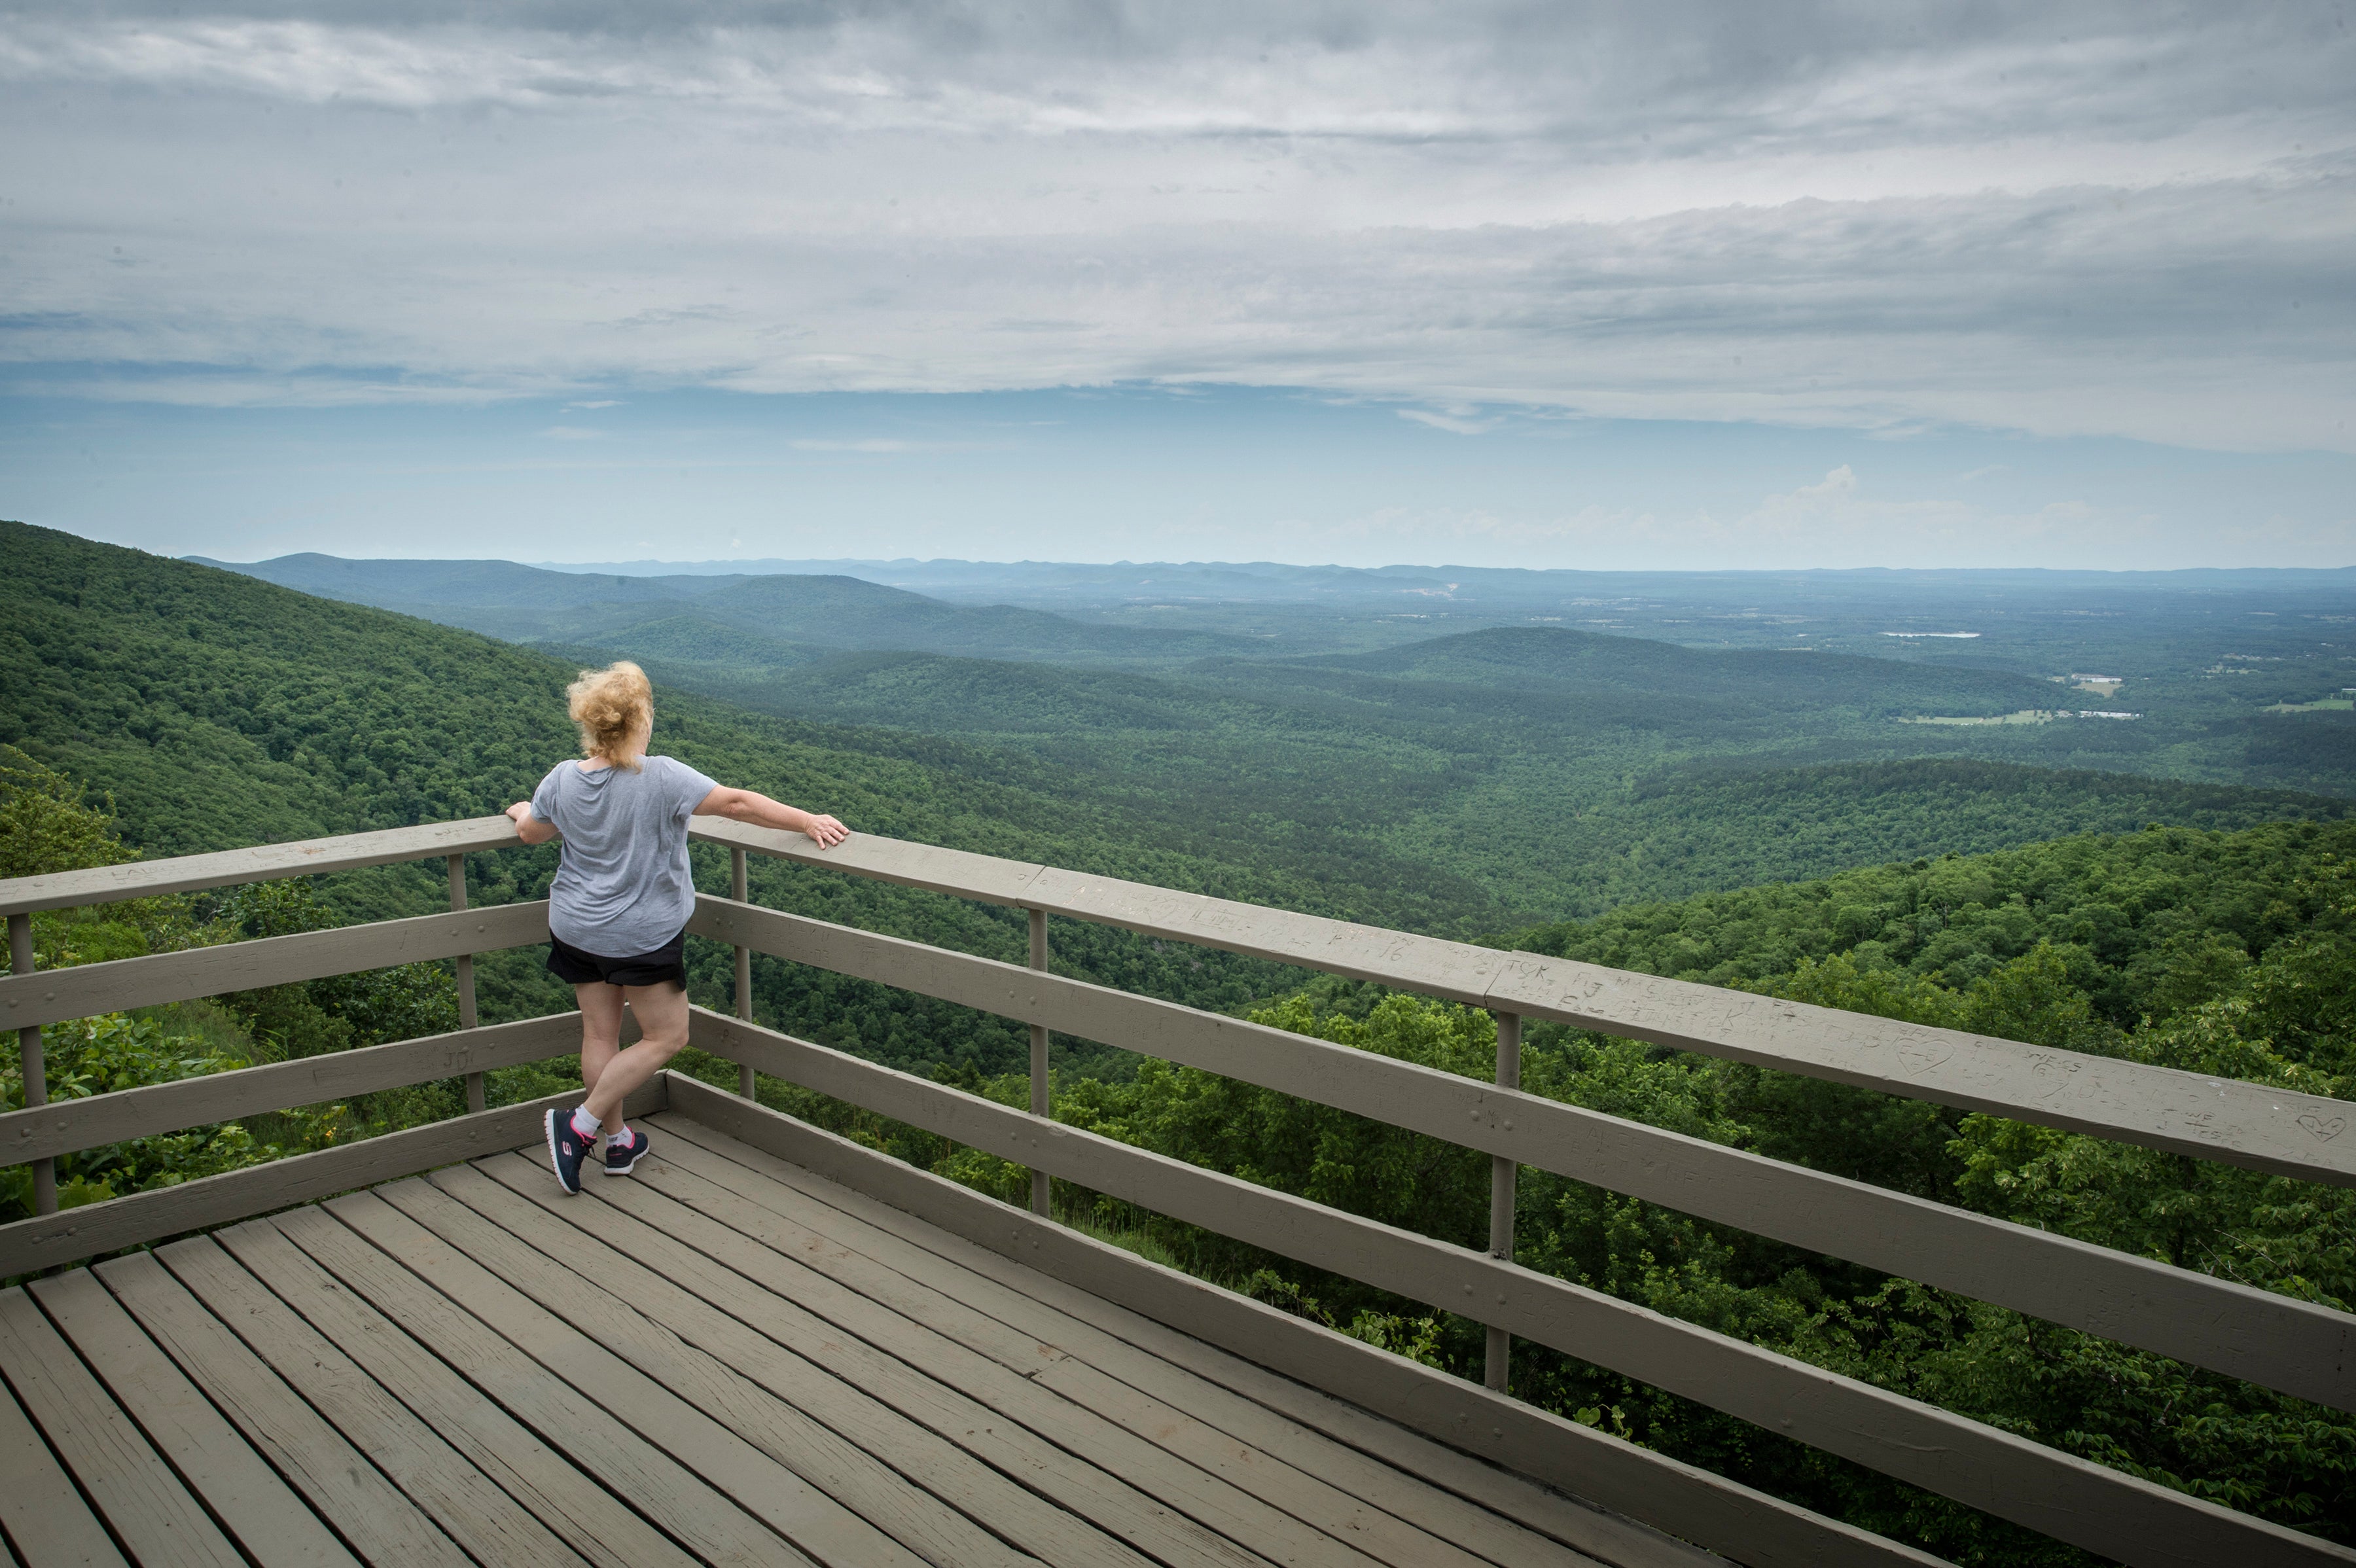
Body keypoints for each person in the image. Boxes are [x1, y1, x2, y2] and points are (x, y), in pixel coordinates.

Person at [505, 660, 847, 1194]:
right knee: (668, 1036)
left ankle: (617, 1144)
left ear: (591, 726)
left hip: (576, 925)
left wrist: (524, 808)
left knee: (600, 1033)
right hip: (639, 935)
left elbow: (530, 832)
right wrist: (806, 820)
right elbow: (735, 803)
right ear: (640, 720)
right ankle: (579, 1126)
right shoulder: (658, 775)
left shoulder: (562, 778)